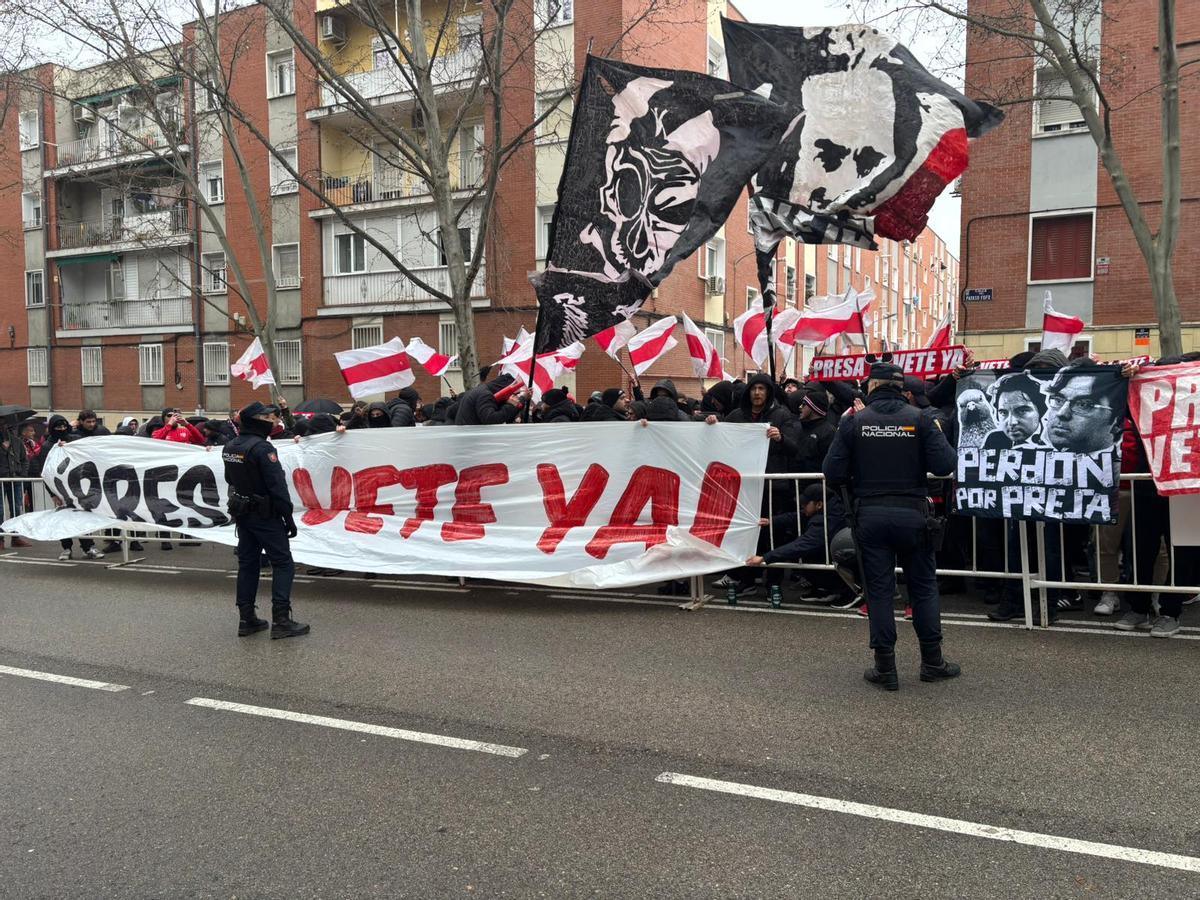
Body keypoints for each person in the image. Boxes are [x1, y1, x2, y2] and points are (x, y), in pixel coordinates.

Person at [823, 359, 958, 691]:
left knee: (880, 593)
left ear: (871, 386)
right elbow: (945, 464)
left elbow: (832, 472)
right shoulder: (922, 419)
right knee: (923, 589)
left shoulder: (855, 422)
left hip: (870, 516)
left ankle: (886, 669)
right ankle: (932, 662)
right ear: (902, 389)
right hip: (914, 516)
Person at [222, 401, 308, 639]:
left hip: (243, 513)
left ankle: (246, 618)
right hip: (265, 515)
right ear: (258, 421)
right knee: (283, 563)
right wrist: (287, 516)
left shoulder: (230, 445)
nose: (274, 423)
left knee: (248, 564)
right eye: (270, 419)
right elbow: (277, 486)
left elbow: (231, 478)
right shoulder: (262, 449)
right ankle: (281, 620)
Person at [454, 372, 527, 425]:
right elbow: (490, 419)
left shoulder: (482, 391)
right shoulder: (485, 395)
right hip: (472, 440)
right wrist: (510, 405)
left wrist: (522, 400)